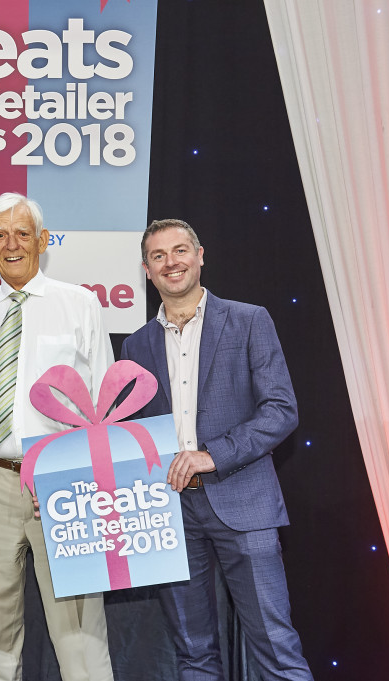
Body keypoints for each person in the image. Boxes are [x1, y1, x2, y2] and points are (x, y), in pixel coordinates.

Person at [121, 219, 314, 680]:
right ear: (146, 270)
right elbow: (128, 434)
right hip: (170, 513)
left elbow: (281, 410)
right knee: (192, 652)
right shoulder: (135, 345)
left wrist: (213, 454)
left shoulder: (249, 320)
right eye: (159, 256)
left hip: (244, 500)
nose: (172, 262)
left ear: (201, 255)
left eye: (181, 250)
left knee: (275, 646)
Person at [0, 193, 115, 681]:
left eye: (22, 233)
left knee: (79, 623)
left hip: (63, 478)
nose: (11, 244)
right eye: (0, 235)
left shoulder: (80, 303)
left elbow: (104, 402)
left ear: (43, 241)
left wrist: (90, 482)